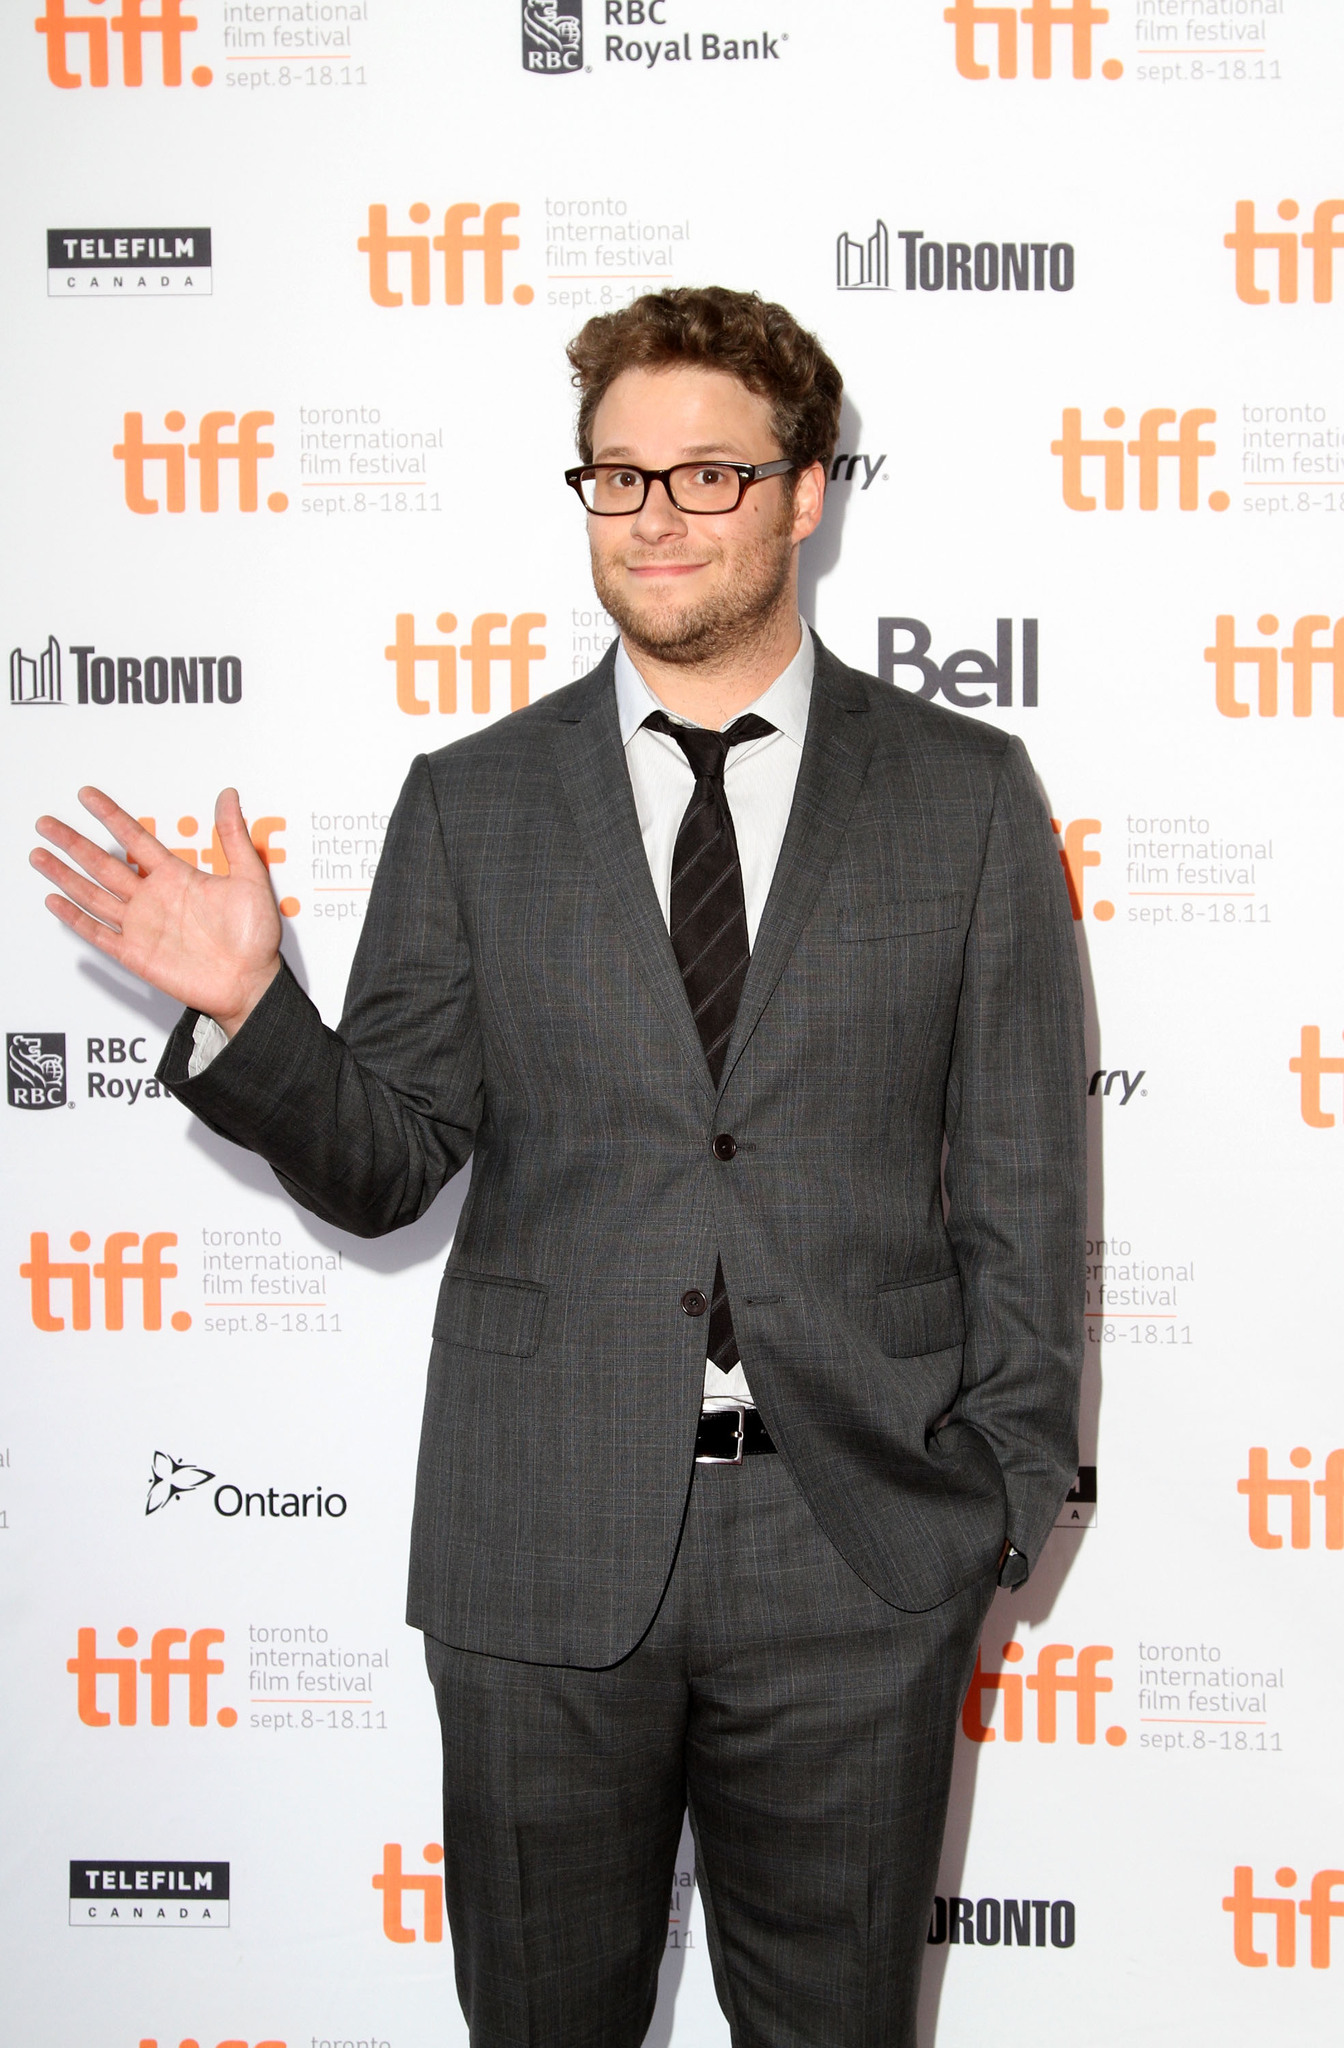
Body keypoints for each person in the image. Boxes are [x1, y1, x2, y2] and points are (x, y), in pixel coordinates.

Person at [31, 286, 1085, 2048]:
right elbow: (388, 1165)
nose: (655, 517)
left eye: (708, 474)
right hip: (539, 1547)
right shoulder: (474, 800)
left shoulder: (964, 793)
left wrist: (1003, 1493)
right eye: (618, 475)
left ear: (806, 493)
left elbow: (1027, 1186)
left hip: (857, 1552)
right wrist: (253, 1011)